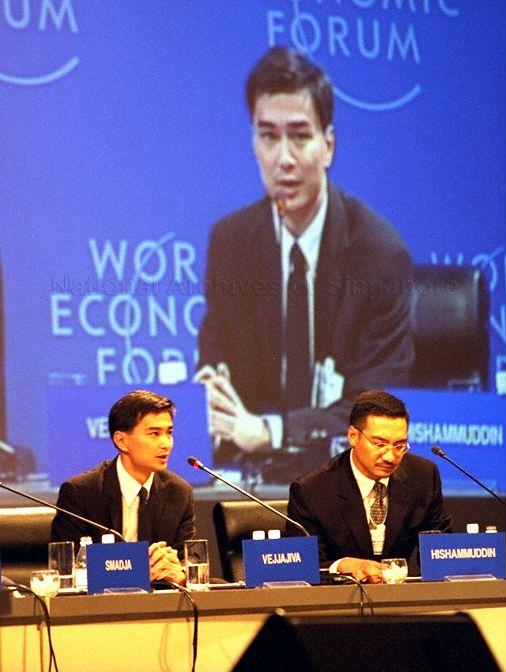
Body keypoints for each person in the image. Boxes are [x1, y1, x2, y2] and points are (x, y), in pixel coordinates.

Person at [197, 46, 414, 476]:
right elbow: (216, 357)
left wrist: (271, 432)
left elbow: (378, 410)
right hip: (253, 481)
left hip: (348, 477)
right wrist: (212, 395)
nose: (284, 158)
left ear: (328, 145)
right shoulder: (231, 244)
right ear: (253, 143)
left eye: (299, 136)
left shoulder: (379, 254)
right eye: (268, 136)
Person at [286, 390, 452, 582]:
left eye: (399, 446)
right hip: (340, 597)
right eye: (379, 444)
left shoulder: (423, 476)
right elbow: (302, 567)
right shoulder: (312, 490)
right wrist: (343, 566)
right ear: (353, 436)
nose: (390, 457)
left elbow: (441, 552)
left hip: (400, 596)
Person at [51, 389, 194, 585]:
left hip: (160, 601)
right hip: (99, 601)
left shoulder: (178, 493)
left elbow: (188, 562)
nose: (166, 444)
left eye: (169, 433)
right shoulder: (80, 493)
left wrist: (180, 576)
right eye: (154, 434)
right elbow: (65, 570)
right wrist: (134, 572)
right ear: (121, 441)